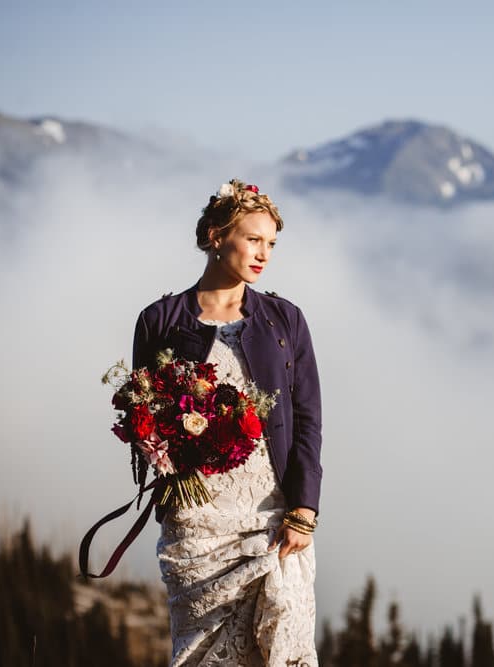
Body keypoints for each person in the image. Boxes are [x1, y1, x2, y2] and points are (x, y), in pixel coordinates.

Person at [130, 179, 323, 666]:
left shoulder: (285, 320)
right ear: (216, 235)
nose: (265, 254)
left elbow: (307, 419)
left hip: (272, 514)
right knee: (205, 654)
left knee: (284, 645)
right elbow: (142, 418)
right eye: (253, 239)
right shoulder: (159, 320)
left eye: (272, 244)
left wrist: (304, 507)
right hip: (197, 522)